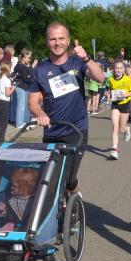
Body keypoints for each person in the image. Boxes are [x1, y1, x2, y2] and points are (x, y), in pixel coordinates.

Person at [28, 23, 105, 193]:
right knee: (49, 178)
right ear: (47, 42)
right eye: (53, 39)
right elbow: (32, 102)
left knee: (68, 179)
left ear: (68, 40)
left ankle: (75, 199)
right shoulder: (39, 70)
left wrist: (86, 59)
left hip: (76, 130)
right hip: (52, 131)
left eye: (61, 38)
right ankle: (57, 207)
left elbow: (100, 78)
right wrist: (40, 113)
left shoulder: (77, 63)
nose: (57, 43)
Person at [105, 59, 131, 160]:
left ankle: (127, 129)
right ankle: (115, 150)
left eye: (120, 68)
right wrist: (108, 94)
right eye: (116, 68)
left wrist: (125, 94)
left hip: (125, 104)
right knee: (115, 127)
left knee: (122, 129)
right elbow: (109, 90)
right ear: (113, 69)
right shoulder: (110, 79)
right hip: (115, 104)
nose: (118, 70)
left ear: (123, 69)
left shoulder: (127, 79)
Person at [0, 62, 15, 148]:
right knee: (3, 122)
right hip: (4, 101)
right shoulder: (7, 80)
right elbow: (7, 93)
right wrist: (13, 88)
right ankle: (0, 141)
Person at [12, 48, 34, 128]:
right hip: (21, 87)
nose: (29, 59)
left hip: (19, 86)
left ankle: (19, 121)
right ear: (23, 57)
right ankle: (19, 123)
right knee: (21, 106)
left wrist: (29, 66)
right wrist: (33, 81)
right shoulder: (22, 67)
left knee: (20, 105)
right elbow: (27, 78)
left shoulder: (19, 65)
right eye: (29, 57)